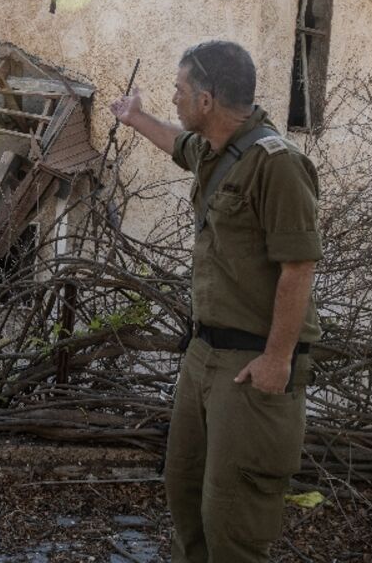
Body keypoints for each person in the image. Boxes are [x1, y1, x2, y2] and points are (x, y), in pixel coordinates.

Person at [109, 40, 322, 563]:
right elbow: (176, 143)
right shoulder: (215, 149)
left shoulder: (278, 164)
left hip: (251, 364)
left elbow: (299, 267)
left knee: (234, 524)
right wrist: (136, 118)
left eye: (179, 91)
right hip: (204, 355)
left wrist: (277, 360)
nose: (174, 99)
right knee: (185, 498)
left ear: (206, 100)